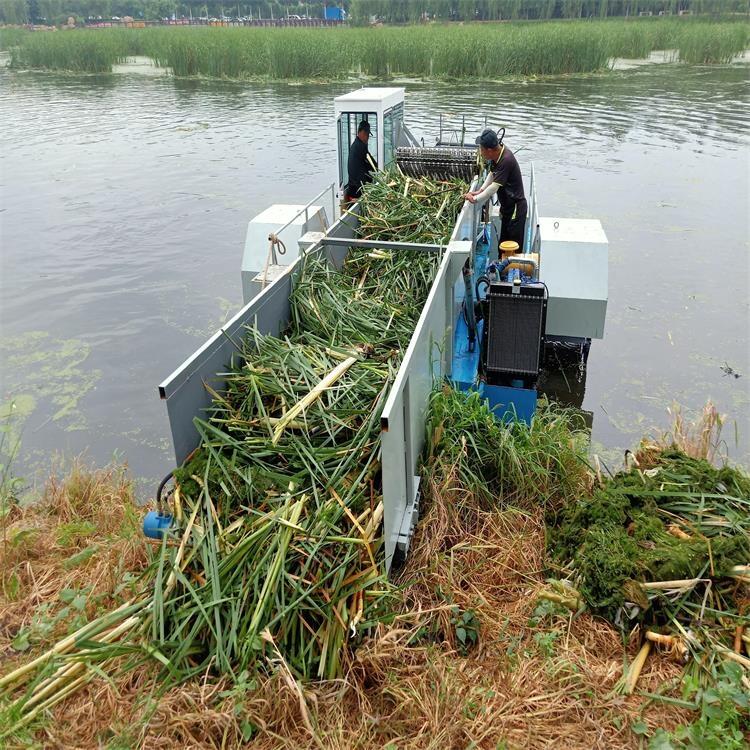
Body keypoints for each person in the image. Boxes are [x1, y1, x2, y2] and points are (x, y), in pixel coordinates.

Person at [464, 128, 527, 249]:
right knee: (502, 244)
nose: (481, 153)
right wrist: (480, 190)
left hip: (515, 209)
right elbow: (492, 174)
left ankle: (511, 266)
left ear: (489, 150)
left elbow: (493, 188)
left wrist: (475, 199)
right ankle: (502, 265)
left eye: (482, 150)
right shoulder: (498, 154)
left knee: (511, 247)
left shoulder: (506, 160)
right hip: (507, 207)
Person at [344, 120, 377, 204]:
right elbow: (372, 165)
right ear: (361, 132)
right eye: (366, 135)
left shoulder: (356, 144)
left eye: (368, 135)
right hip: (357, 190)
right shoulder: (360, 147)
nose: (367, 137)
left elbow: (370, 163)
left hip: (354, 186)